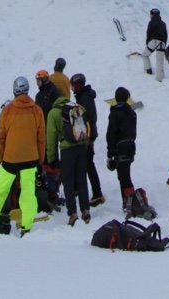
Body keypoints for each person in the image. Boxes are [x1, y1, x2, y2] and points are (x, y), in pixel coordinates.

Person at [0, 76, 47, 238]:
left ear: (14, 91)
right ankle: (26, 226)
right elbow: (41, 139)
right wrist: (39, 160)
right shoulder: (37, 110)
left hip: (10, 160)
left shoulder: (7, 111)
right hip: (31, 159)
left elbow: (1, 138)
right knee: (28, 193)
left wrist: (2, 159)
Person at [48, 88, 93, 224]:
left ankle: (73, 213)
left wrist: (51, 158)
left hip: (67, 150)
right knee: (82, 179)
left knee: (68, 182)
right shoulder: (75, 107)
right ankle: (85, 210)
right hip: (81, 147)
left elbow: (51, 137)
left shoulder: (53, 113)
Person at [71, 74, 105, 206]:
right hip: (87, 135)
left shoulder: (85, 98)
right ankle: (92, 191)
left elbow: (87, 118)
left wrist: (86, 136)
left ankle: (97, 193)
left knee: (88, 165)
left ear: (79, 85)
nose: (72, 88)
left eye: (73, 85)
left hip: (87, 136)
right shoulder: (83, 96)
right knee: (87, 164)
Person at [105, 87, 138, 200]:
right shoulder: (132, 113)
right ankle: (128, 202)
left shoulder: (115, 113)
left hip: (120, 147)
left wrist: (110, 154)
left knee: (124, 177)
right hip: (131, 146)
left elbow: (111, 134)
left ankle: (130, 202)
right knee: (124, 175)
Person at [144, 8, 167, 81]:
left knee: (145, 55)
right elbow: (166, 35)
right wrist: (164, 44)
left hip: (153, 41)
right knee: (160, 61)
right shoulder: (163, 23)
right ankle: (160, 78)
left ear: (152, 15)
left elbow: (148, 33)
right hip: (162, 43)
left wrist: (147, 42)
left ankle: (148, 70)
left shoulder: (151, 22)